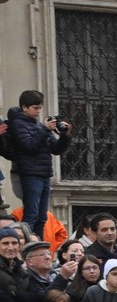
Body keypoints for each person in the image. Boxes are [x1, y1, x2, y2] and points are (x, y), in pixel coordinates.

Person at [3, 90, 72, 237]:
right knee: (31, 215)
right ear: (24, 107)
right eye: (35, 108)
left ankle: (39, 245)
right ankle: (28, 245)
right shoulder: (18, 124)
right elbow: (29, 146)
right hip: (29, 174)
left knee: (42, 217)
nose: (38, 111)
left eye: (40, 108)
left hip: (44, 174)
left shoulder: (39, 125)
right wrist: (44, 130)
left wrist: (65, 136)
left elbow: (55, 149)